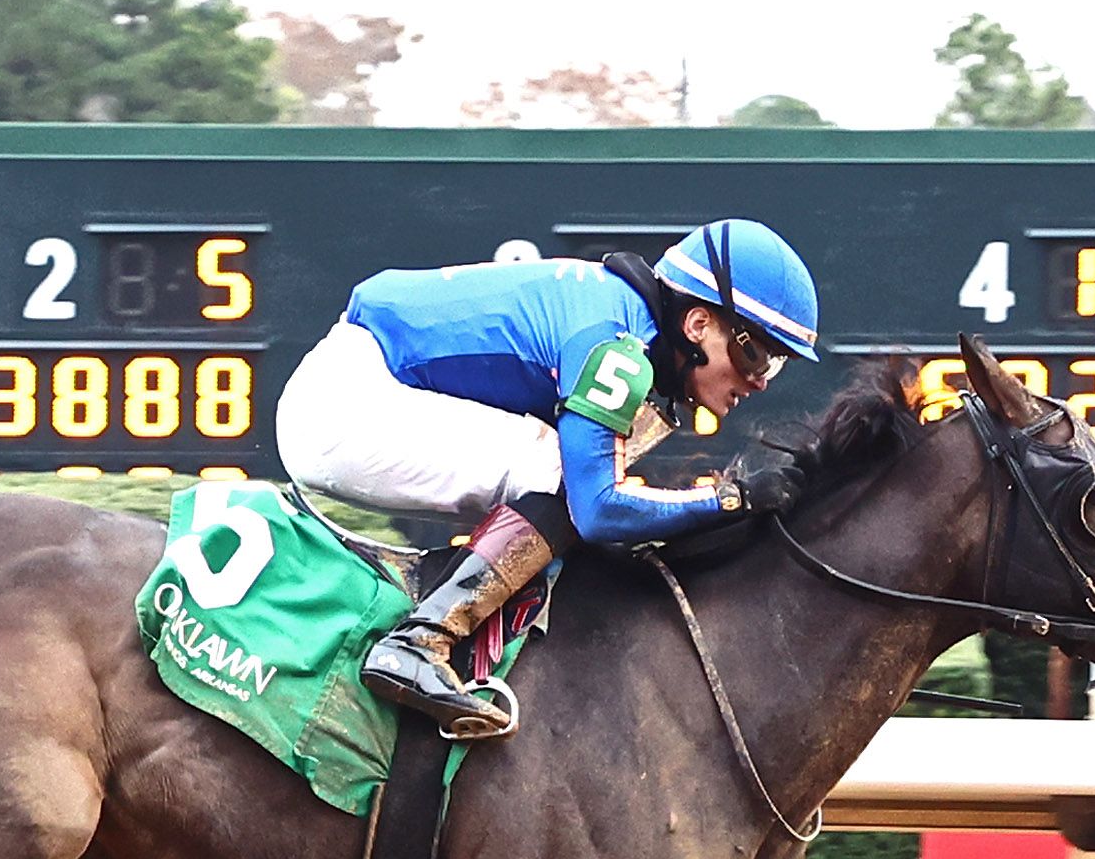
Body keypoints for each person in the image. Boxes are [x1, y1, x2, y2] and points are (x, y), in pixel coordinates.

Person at [273, 219, 820, 736]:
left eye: (777, 364)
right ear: (697, 324)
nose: (761, 381)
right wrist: (726, 501)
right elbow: (599, 509)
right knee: (556, 473)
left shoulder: (625, 322)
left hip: (353, 385)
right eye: (755, 354)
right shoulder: (617, 346)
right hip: (342, 404)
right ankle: (418, 642)